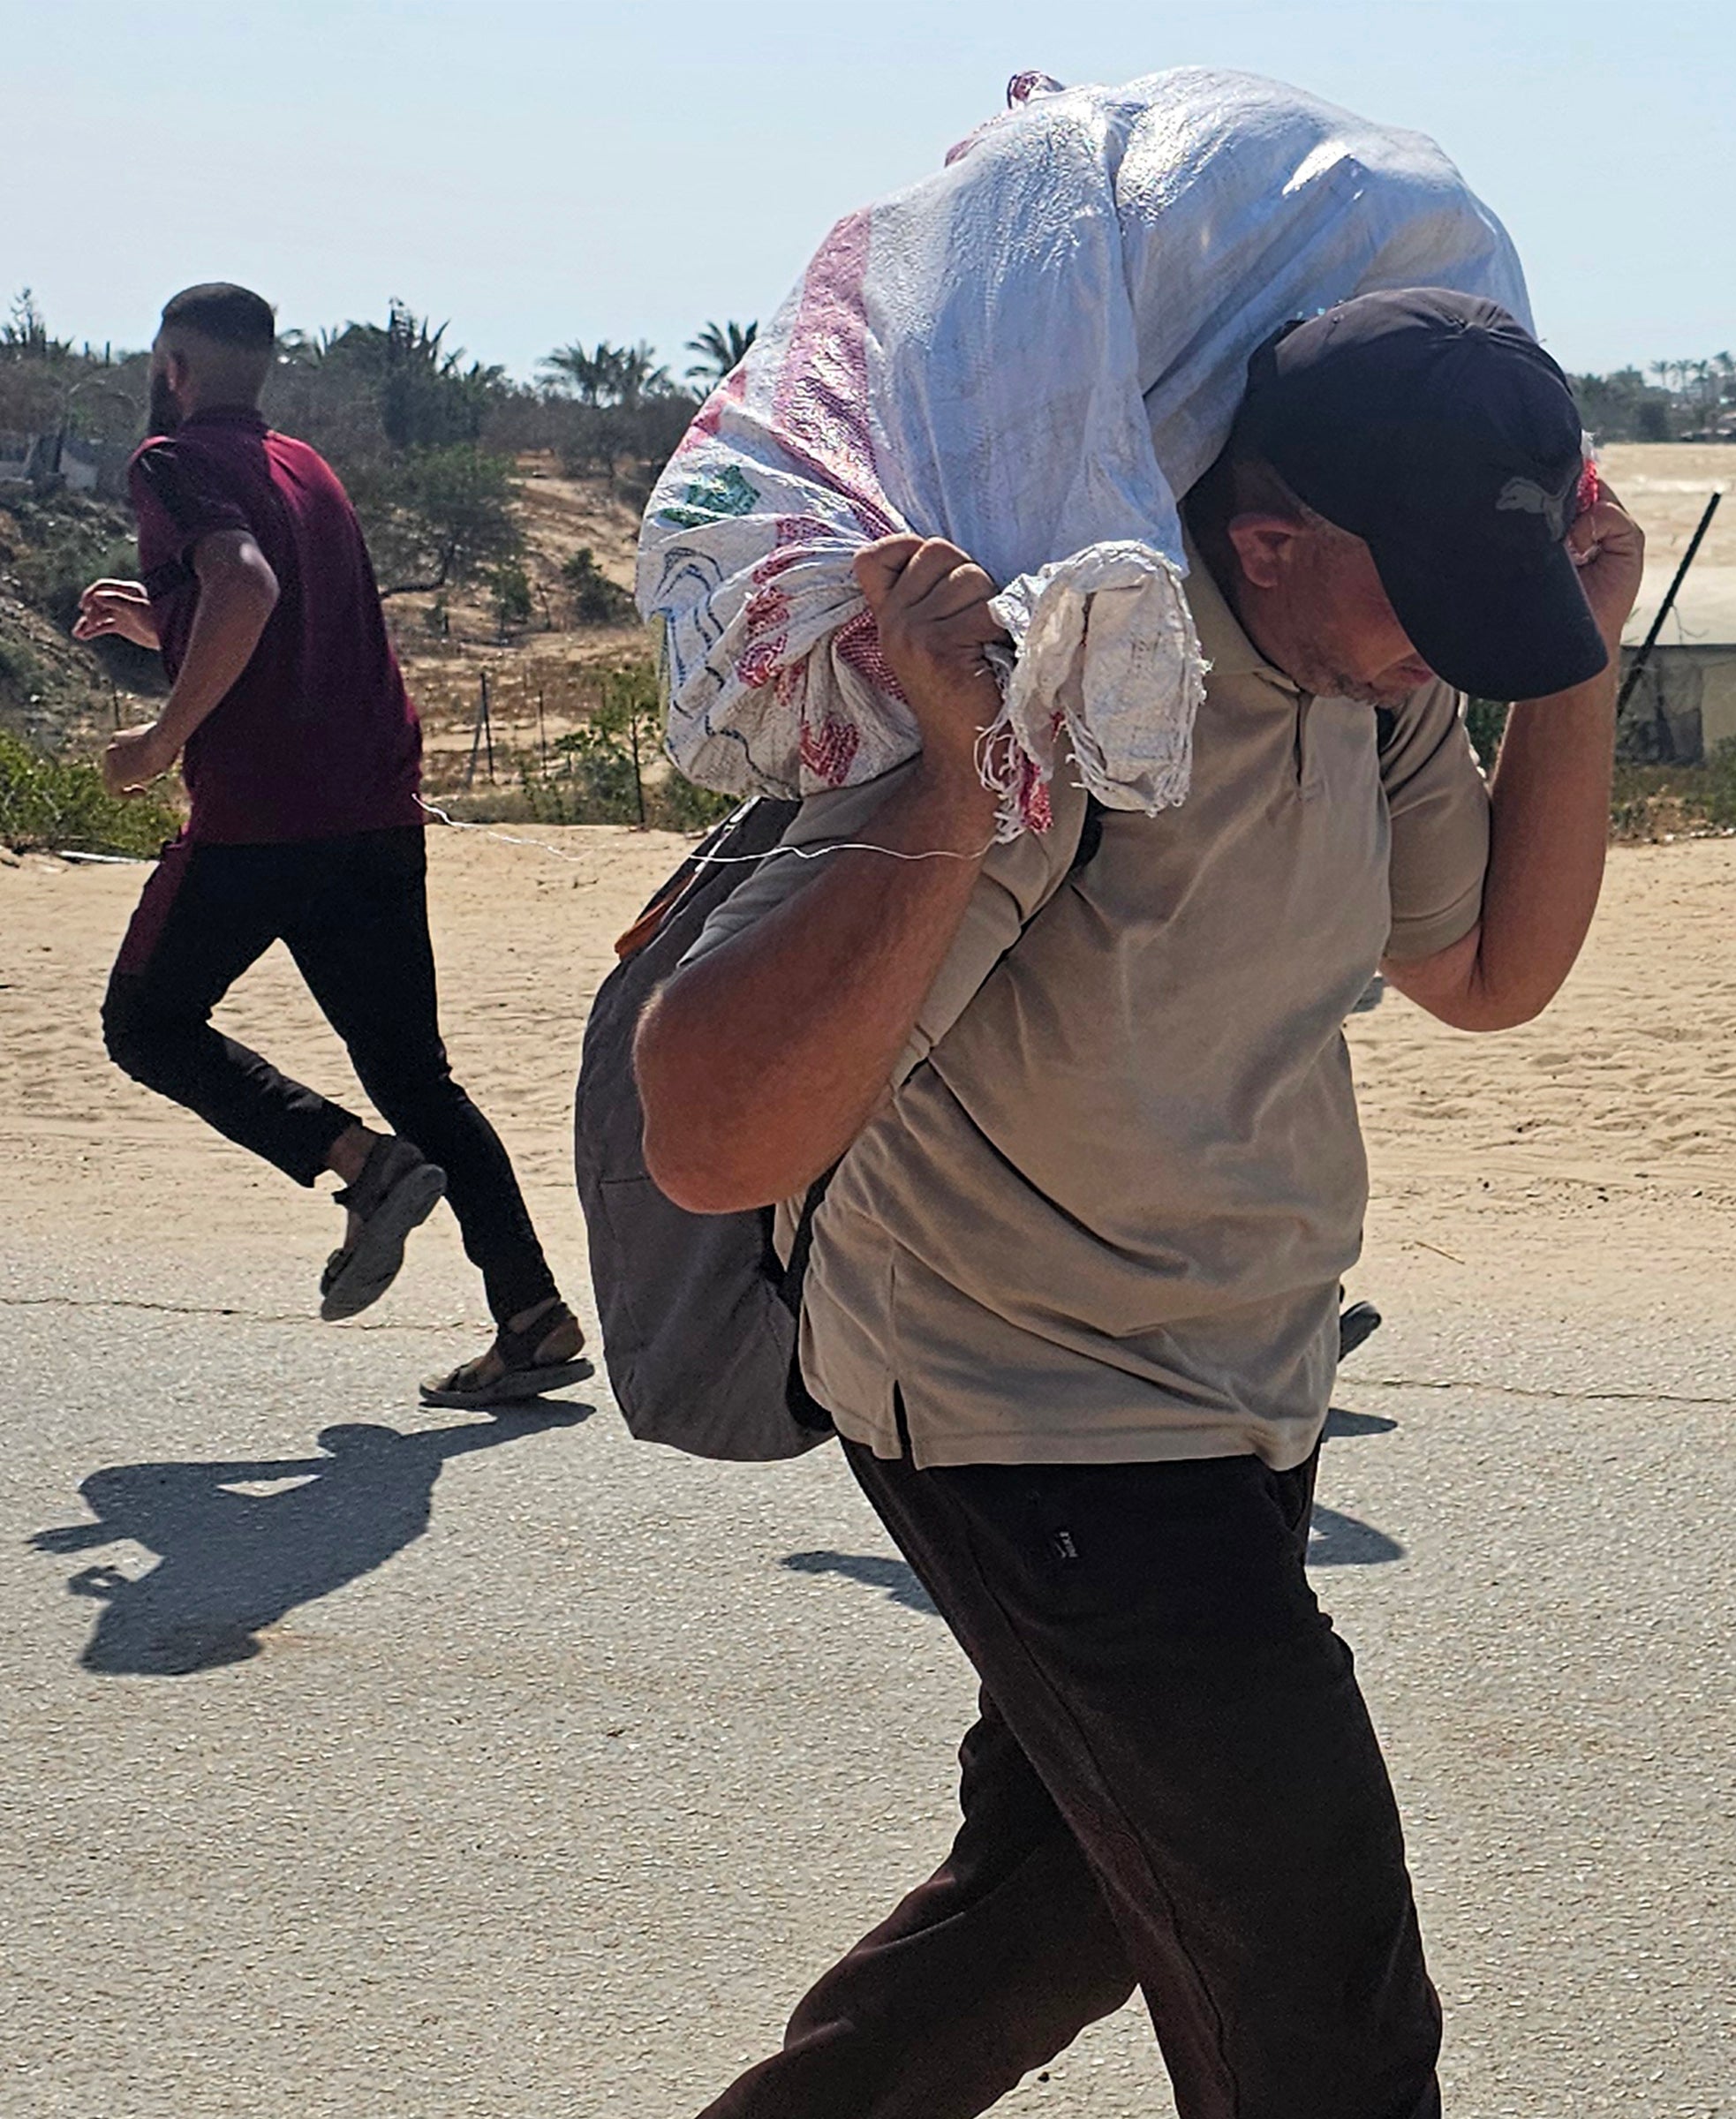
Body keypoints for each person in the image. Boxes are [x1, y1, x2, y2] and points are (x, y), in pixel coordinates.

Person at [637, 289, 1643, 2119]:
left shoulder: (1371, 685)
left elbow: (1489, 967)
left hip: (1241, 1388)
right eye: (1427, 609)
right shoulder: (1087, 691)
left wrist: (1574, 658)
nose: (1440, 661)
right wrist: (953, 762)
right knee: (1321, 2008)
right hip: (1032, 1405)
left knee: (1064, 1911)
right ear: (1268, 541)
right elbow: (710, 1134)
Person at [78, 282, 588, 1407]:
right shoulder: (309, 468)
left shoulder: (168, 461)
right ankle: (534, 1316)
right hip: (372, 815)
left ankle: (358, 1164)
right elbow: (281, 619)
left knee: (146, 1023)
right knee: (419, 1076)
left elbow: (246, 587)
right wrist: (161, 624)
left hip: (262, 819)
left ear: (172, 364)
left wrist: (162, 739)